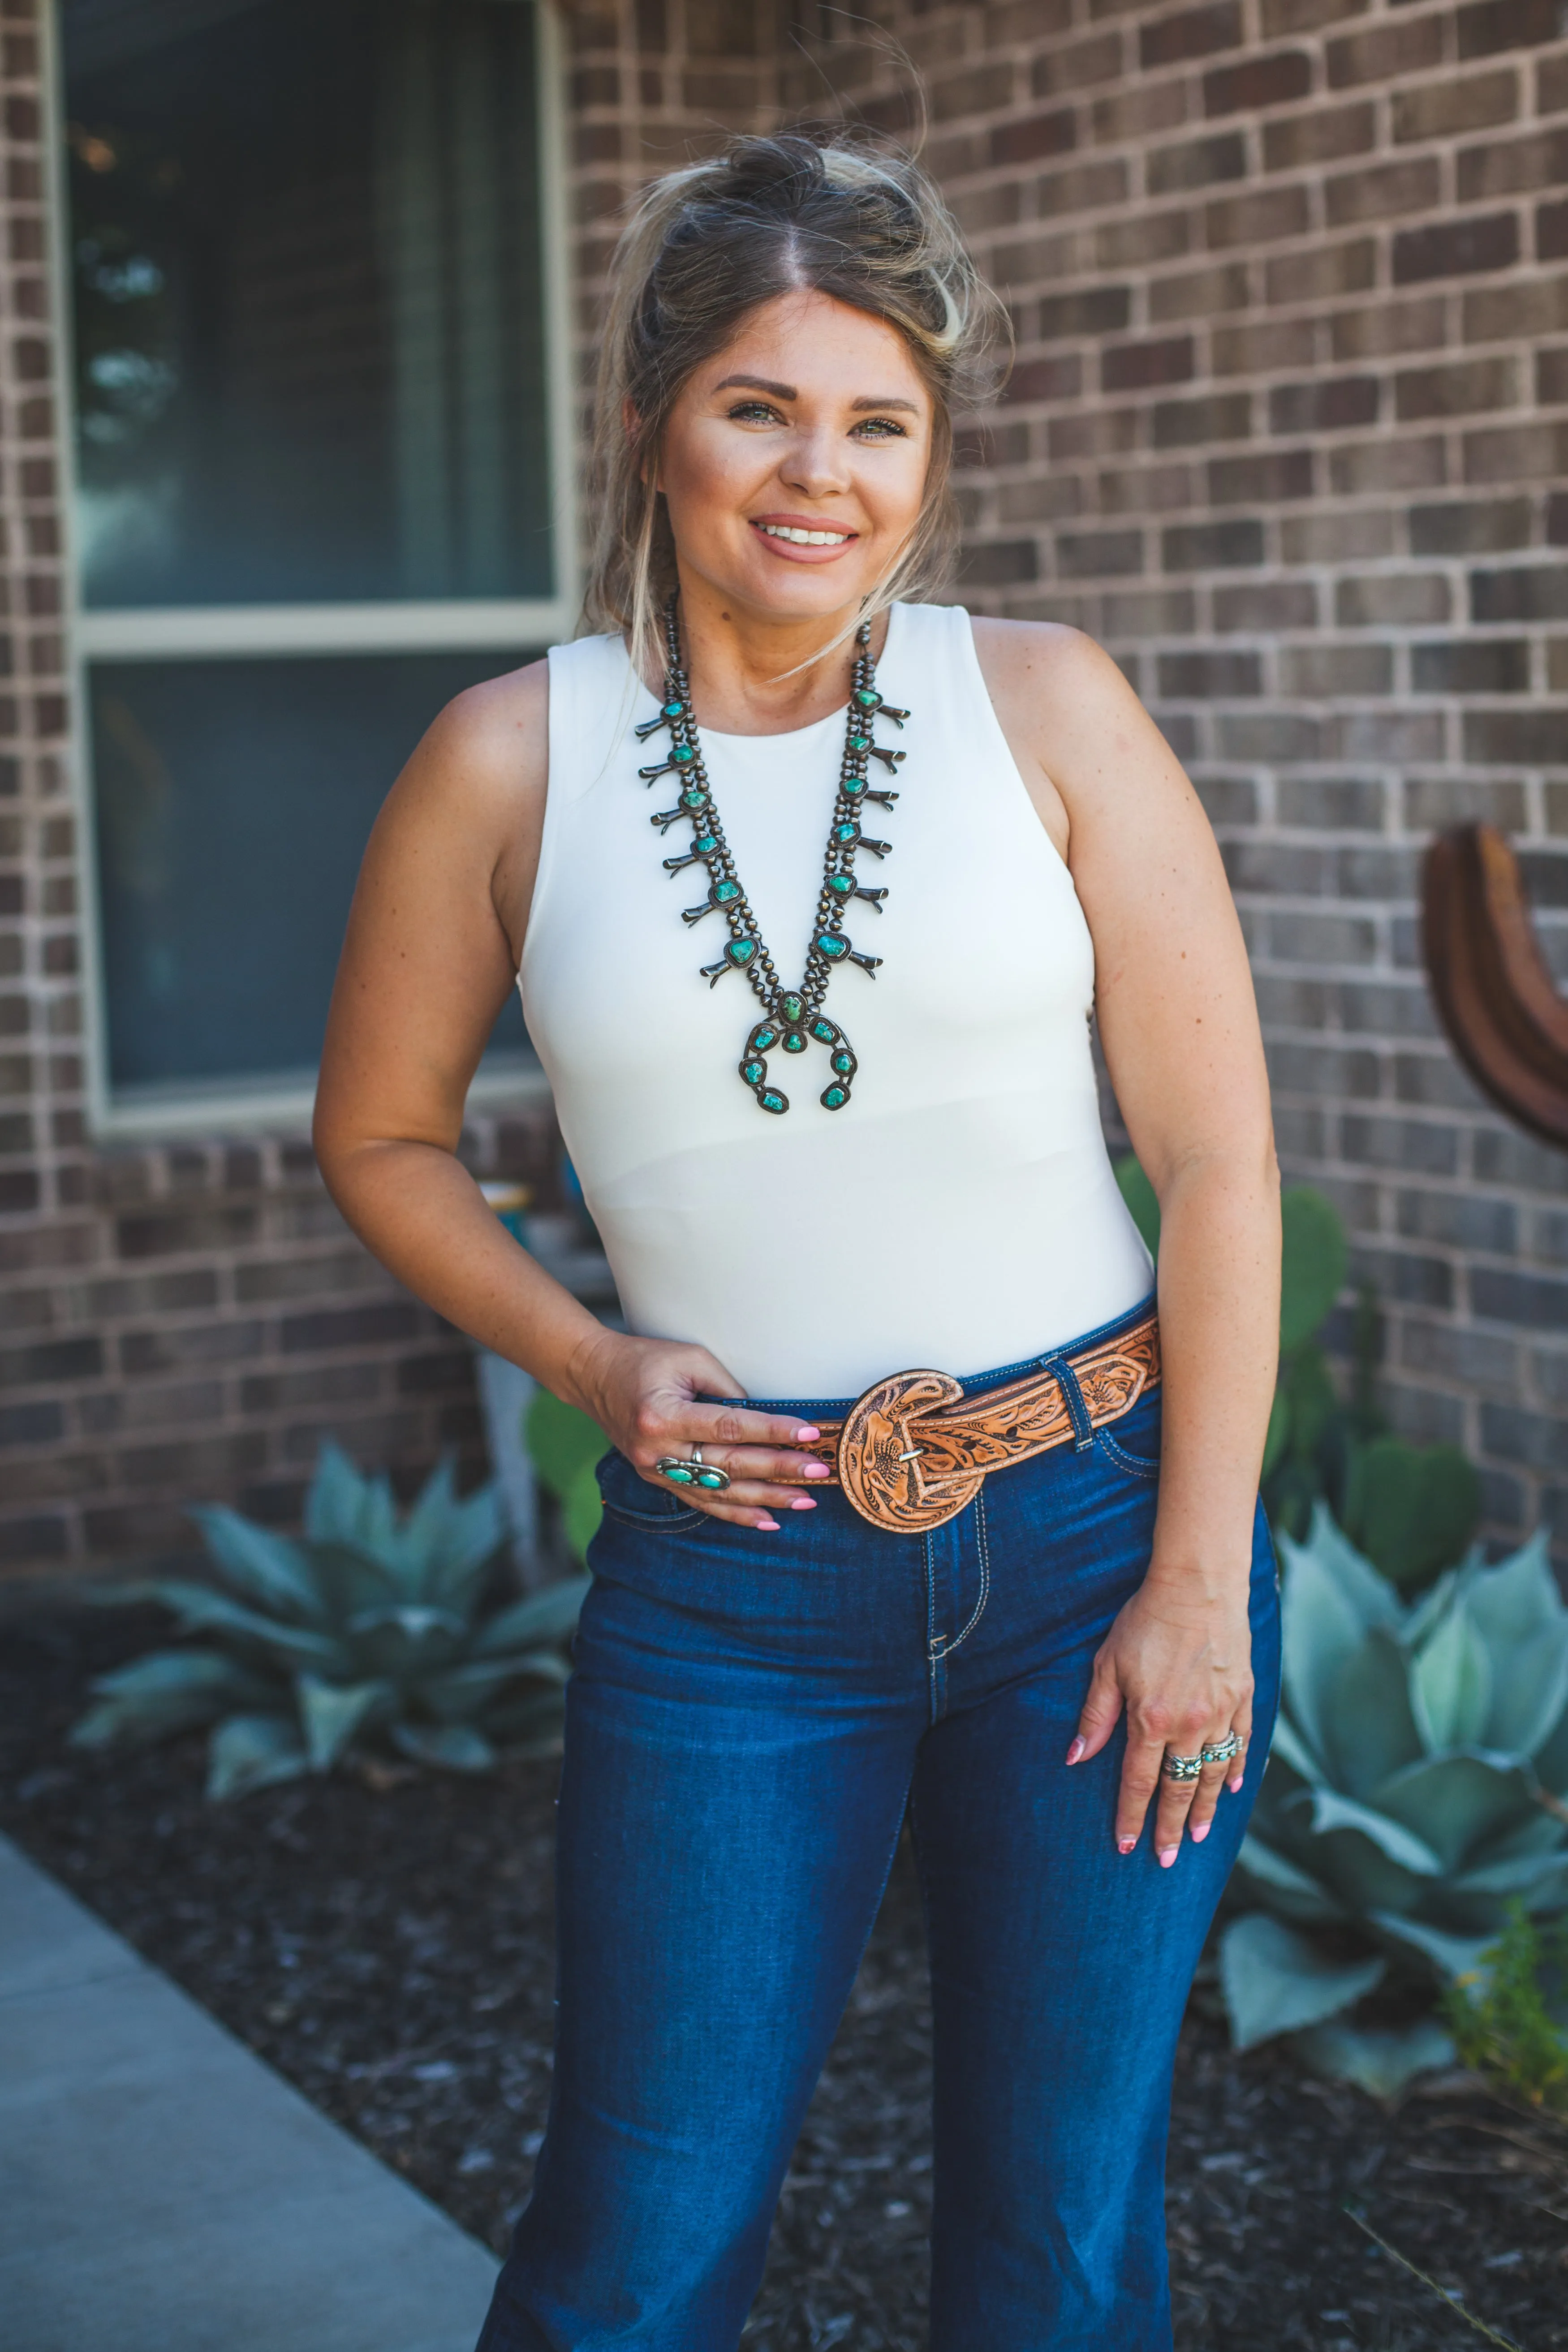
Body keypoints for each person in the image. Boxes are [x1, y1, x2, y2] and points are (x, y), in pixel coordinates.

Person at [313, 131, 1282, 2352]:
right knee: (633, 2245)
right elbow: (378, 1136)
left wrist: (1195, 1591)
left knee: (1056, 2244)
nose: (814, 475)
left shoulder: (1043, 706)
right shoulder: (500, 761)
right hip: (726, 1578)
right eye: (760, 404)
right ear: (657, 415)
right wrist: (585, 1362)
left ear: (931, 456)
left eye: (877, 424)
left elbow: (1217, 1164)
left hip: (1092, 1539)